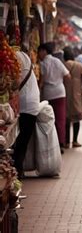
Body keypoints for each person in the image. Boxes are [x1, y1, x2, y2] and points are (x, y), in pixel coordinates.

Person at [38, 43, 70, 150]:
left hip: (48, 93)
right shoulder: (57, 61)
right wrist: (59, 82)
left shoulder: (42, 64)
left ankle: (52, 145)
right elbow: (67, 75)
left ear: (44, 51)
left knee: (49, 119)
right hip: (60, 92)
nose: (38, 54)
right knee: (60, 119)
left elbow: (41, 82)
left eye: (39, 52)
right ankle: (61, 143)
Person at [13, 50, 40, 178]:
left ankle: (16, 170)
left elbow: (16, 82)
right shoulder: (24, 56)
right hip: (31, 103)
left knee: (20, 139)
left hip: (25, 103)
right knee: (23, 139)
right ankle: (18, 169)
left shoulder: (14, 56)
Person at [63, 47, 82, 148]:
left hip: (65, 91)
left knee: (67, 117)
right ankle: (75, 141)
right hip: (77, 92)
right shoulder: (79, 65)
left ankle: (66, 142)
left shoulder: (63, 65)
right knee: (77, 117)